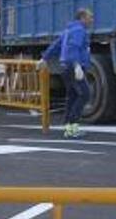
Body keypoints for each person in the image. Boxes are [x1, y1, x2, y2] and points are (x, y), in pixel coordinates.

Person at [40, 8, 94, 138]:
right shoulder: (79, 31)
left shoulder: (68, 30)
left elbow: (56, 45)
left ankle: (69, 127)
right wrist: (77, 66)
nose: (92, 20)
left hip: (65, 67)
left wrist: (45, 58)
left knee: (73, 96)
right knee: (85, 95)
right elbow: (73, 48)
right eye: (90, 17)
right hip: (73, 67)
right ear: (82, 18)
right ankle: (72, 125)